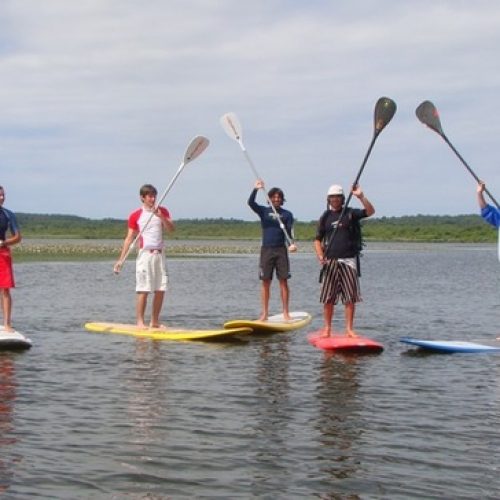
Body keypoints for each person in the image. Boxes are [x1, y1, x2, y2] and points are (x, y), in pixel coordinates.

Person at [314, 184, 375, 337]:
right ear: (328, 199)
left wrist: (360, 196)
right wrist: (320, 255)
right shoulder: (325, 216)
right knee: (328, 297)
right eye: (332, 197)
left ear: (342, 199)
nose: (335, 199)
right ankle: (327, 328)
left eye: (338, 197)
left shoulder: (350, 213)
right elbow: (317, 240)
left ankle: (349, 329)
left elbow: (370, 211)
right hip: (330, 261)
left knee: (350, 298)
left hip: (349, 261)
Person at [114, 184, 175, 328]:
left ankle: (154, 321)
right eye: (150, 196)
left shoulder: (163, 211)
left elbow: (171, 229)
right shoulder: (136, 215)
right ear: (142, 198)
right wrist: (120, 259)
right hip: (145, 255)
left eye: (154, 196)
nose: (153, 199)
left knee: (161, 289)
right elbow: (129, 238)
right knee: (144, 289)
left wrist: (160, 216)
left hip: (159, 254)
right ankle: (140, 322)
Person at [248, 179, 297, 321]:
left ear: (282, 200)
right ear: (269, 199)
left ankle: (286, 312)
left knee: (283, 281)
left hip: (281, 250)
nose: (276, 199)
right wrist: (256, 189)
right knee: (265, 282)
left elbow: (289, 233)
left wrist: (291, 244)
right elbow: (251, 203)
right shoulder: (264, 211)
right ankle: (264, 313)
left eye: (279, 197)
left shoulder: (287, 214)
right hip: (266, 250)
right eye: (274, 197)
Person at [0, 186, 22, 333]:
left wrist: (5, 243)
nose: (1, 198)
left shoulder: (8, 214)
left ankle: (7, 324)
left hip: (3, 252)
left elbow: (18, 237)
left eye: (3, 195)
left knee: (5, 289)